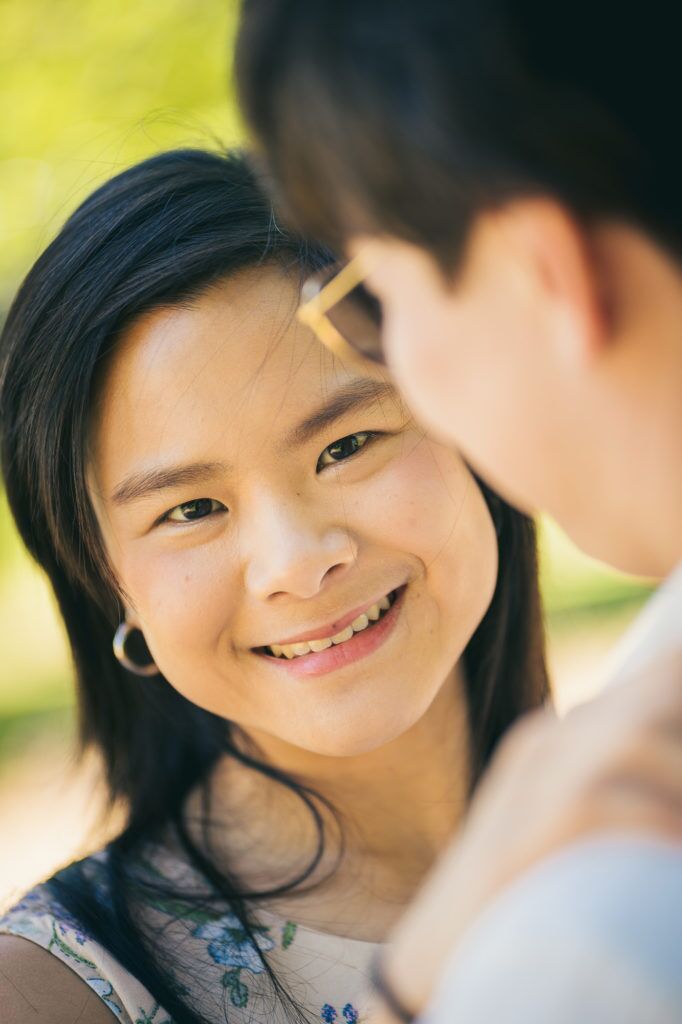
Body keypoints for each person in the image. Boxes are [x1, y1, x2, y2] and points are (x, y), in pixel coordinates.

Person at [0, 148, 549, 1023]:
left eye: (347, 446)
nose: (297, 560)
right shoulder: (53, 995)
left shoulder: (644, 808)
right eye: (191, 509)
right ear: (108, 582)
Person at [235, 1, 682, 1021]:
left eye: (380, 298)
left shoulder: (594, 918)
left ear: (544, 269)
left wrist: (414, 982)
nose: (294, 564)